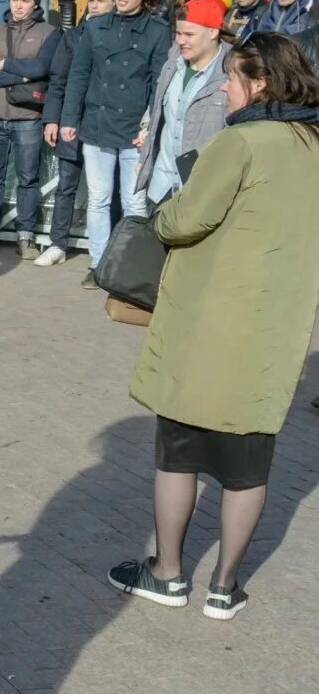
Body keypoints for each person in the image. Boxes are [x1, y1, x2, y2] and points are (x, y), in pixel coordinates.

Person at [113, 33, 319, 621]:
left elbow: (182, 222)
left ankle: (168, 573)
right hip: (275, 328)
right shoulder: (314, 142)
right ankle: (225, 587)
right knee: (247, 466)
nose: (224, 86)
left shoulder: (241, 142)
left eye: (231, 77)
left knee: (179, 455)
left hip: (209, 325)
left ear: (259, 83)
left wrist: (174, 199)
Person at [60, 0, 170, 288]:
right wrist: (69, 119)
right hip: (97, 125)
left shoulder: (158, 30)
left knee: (134, 202)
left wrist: (150, 126)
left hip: (135, 130)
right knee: (99, 198)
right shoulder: (95, 28)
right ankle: (98, 264)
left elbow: (159, 83)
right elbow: (79, 74)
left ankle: (128, 267)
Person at [0, 0, 60, 257]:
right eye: (14, 0)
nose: (19, 5)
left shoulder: (49, 33)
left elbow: (44, 67)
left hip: (27, 116)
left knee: (28, 178)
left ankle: (26, 235)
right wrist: (23, 75)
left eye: (24, 1)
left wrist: (7, 65)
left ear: (35, 4)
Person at [35, 0, 113, 266]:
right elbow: (58, 82)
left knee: (105, 191)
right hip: (72, 122)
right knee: (66, 185)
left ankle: (108, 252)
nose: (93, 6)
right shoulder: (72, 37)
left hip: (104, 126)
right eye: (91, 1)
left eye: (100, 2)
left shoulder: (119, 38)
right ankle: (58, 243)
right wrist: (52, 119)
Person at [133, 0, 231, 211]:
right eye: (178, 33)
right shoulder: (172, 63)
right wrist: (146, 156)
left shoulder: (233, 71)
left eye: (189, 35)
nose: (181, 41)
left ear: (213, 32)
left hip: (203, 192)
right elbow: (160, 117)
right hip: (161, 187)